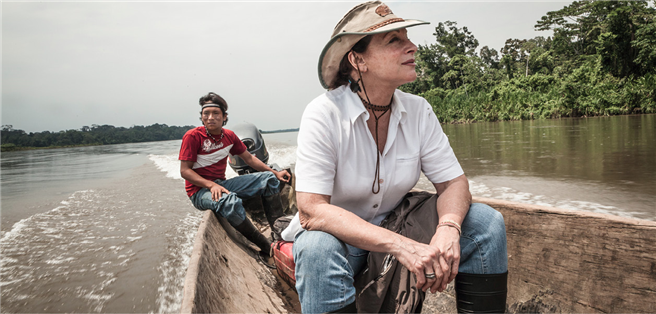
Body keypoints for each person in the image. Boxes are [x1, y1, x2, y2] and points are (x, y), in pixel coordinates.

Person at [280, 1, 508, 313]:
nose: (412, 47)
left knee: (486, 224)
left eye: (407, 37)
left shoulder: (418, 110)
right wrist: (403, 247)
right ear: (358, 59)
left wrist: (448, 228)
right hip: (342, 244)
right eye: (394, 40)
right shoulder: (324, 113)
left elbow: (454, 182)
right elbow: (312, 212)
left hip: (397, 223)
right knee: (316, 247)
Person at [179, 92, 290, 263]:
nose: (210, 117)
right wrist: (210, 185)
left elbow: (249, 159)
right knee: (229, 202)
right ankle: (266, 246)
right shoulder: (193, 137)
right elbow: (185, 171)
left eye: (216, 113)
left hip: (221, 184)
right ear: (201, 117)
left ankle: (279, 234)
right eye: (206, 113)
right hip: (200, 191)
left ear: (224, 117)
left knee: (269, 179)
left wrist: (274, 172)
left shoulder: (229, 136)